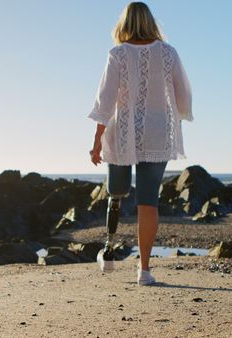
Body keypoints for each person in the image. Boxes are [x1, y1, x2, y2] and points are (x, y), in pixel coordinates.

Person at [87, 2, 193, 286]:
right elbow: (183, 94)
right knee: (148, 201)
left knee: (116, 191)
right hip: (157, 131)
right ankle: (143, 270)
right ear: (150, 21)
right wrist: (176, 114)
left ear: (124, 23)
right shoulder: (169, 53)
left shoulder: (118, 54)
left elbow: (105, 101)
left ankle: (109, 249)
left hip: (123, 130)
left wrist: (97, 141)